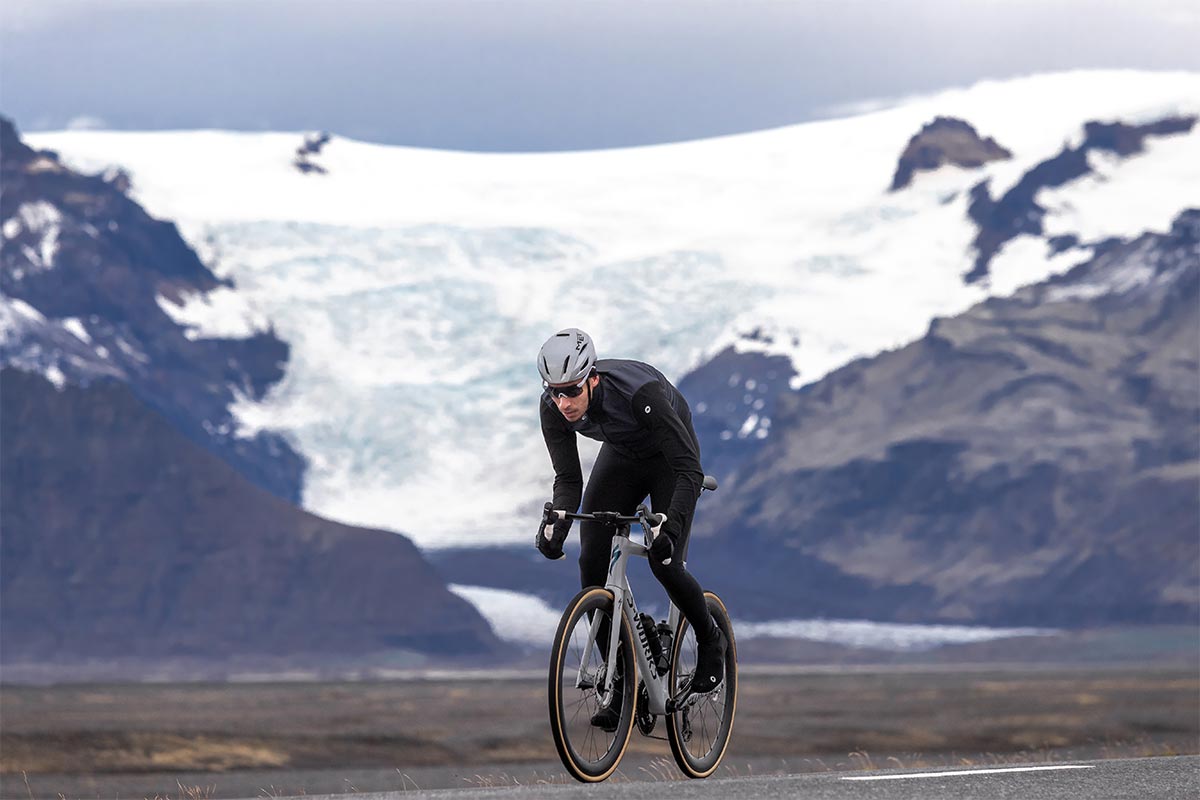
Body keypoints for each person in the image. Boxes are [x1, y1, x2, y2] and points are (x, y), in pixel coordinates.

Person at [534, 327, 726, 730]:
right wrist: (557, 526)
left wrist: (670, 527)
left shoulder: (640, 396)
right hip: (622, 455)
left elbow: (689, 469)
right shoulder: (552, 408)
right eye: (555, 391)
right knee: (591, 566)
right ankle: (620, 681)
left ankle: (711, 644)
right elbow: (568, 480)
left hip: (670, 458)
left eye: (571, 390)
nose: (564, 402)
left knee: (665, 562)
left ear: (593, 379)